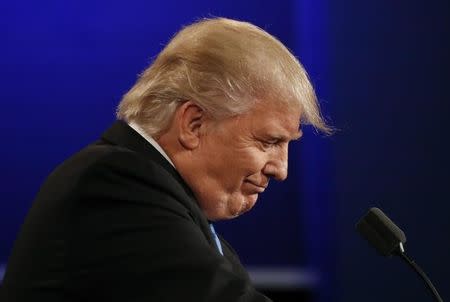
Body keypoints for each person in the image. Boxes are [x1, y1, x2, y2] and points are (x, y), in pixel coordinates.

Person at [0, 17, 330, 301]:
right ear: (193, 124)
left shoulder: (165, 199)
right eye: (268, 141)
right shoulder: (116, 186)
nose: (281, 169)